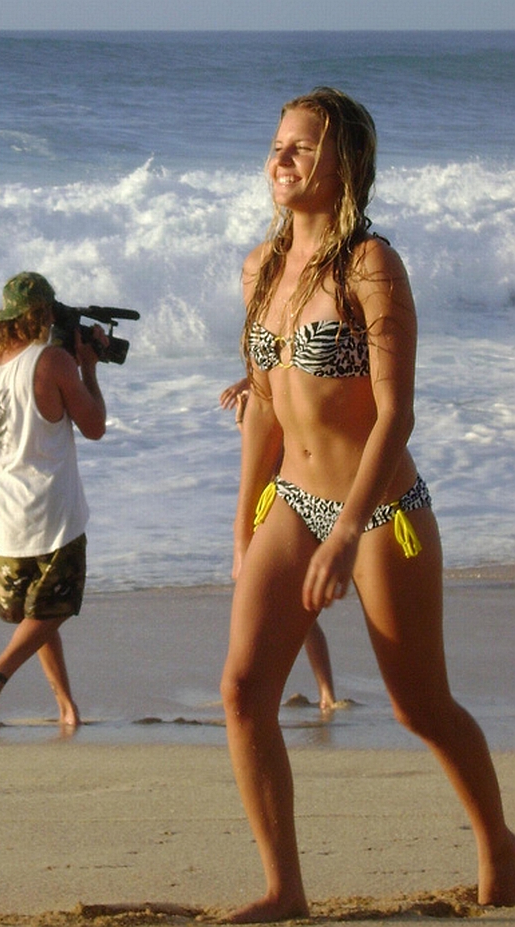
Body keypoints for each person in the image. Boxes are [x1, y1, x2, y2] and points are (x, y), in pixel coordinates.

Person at [220, 86, 515, 922]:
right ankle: (285, 887)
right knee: (243, 691)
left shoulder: (369, 266)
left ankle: (499, 842)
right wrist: (244, 525)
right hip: (293, 504)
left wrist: (348, 530)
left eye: (301, 147)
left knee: (418, 704)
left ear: (340, 163)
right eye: (277, 143)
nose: (281, 158)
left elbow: (397, 412)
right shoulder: (262, 266)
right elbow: (268, 406)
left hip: (382, 513)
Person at [0, 272, 108, 733]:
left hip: (2, 515)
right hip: (51, 512)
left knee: (37, 615)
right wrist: (88, 366)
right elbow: (95, 426)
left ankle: (67, 707)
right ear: (45, 314)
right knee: (57, 608)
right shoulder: (52, 363)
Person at [219, 377, 337, 713]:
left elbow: (266, 452)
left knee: (301, 609)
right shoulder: (277, 402)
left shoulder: (288, 414)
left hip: (285, 508)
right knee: (297, 610)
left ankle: (325, 690)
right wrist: (245, 415)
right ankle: (323, 689)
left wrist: (245, 412)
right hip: (272, 508)